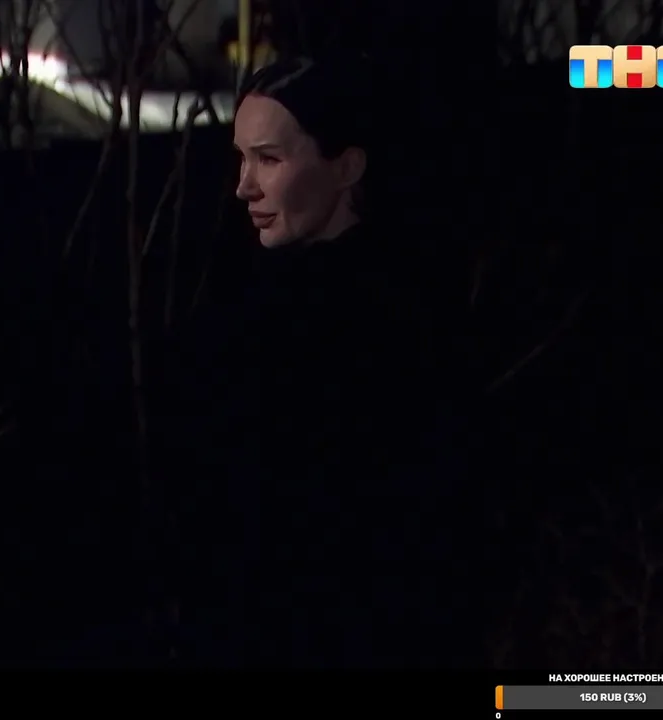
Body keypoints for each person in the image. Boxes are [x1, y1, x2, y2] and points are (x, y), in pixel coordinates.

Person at [164, 56, 470, 668]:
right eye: (241, 158)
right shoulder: (247, 293)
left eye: (269, 159)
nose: (244, 186)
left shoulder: (386, 320)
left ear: (346, 166)